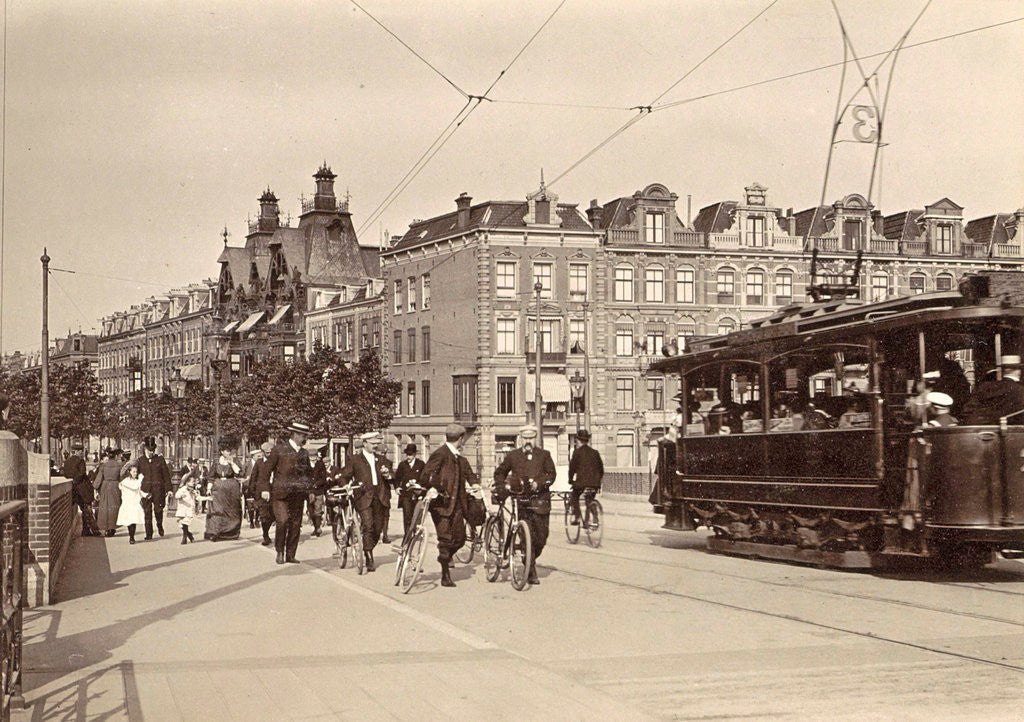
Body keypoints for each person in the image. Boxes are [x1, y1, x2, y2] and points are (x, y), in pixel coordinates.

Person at [494, 426, 555, 586]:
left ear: (535, 438)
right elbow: (500, 472)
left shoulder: (544, 455)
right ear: (520, 438)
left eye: (531, 438)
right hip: (521, 501)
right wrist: (502, 485)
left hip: (540, 501)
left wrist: (539, 483)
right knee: (526, 535)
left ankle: (529, 557)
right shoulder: (513, 456)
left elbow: (551, 475)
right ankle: (531, 570)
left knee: (541, 537)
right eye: (525, 438)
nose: (528, 441)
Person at [421, 424, 478, 588]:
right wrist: (436, 487)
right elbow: (425, 476)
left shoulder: (461, 459)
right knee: (445, 539)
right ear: (460, 439)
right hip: (441, 505)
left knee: (459, 540)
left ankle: (444, 557)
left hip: (458, 505)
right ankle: (445, 574)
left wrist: (475, 485)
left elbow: (470, 475)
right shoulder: (440, 454)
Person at [258, 422, 314, 564]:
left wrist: (311, 491)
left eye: (305, 435)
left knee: (296, 525)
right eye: (302, 435)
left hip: (298, 494)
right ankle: (280, 551)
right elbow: (265, 471)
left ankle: (290, 554)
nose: (304, 438)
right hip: (280, 494)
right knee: (282, 521)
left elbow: (308, 474)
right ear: (295, 435)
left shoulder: (304, 453)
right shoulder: (279, 449)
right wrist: (265, 489)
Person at [336, 431, 393, 572]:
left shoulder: (382, 460)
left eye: (377, 444)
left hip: (380, 497)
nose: (375, 446)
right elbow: (344, 476)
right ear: (365, 443)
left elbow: (393, 476)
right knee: (368, 525)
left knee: (378, 528)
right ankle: (368, 556)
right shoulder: (355, 460)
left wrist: (388, 474)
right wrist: (345, 485)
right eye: (373, 444)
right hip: (363, 497)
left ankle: (367, 546)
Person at [962, 354, 1024, 425]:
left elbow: (967, 412)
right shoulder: (1020, 390)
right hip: (1013, 434)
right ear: (1019, 370)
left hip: (980, 432)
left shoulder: (984, 387)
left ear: (1002, 370)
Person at [135, 437, 171, 539]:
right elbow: (137, 475)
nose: (150, 452)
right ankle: (149, 534)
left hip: (158, 490)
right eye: (149, 450)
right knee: (147, 512)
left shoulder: (160, 460)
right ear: (145, 449)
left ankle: (159, 525)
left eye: (152, 450)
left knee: (158, 510)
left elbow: (166, 475)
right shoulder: (140, 461)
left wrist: (169, 489)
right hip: (145, 490)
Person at [205, 442, 242, 541]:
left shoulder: (234, 461)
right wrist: (209, 488)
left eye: (229, 451)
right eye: (226, 451)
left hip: (231, 489)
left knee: (231, 510)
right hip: (218, 489)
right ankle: (215, 532)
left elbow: (239, 473)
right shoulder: (216, 462)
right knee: (217, 509)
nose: (228, 453)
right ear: (222, 452)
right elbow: (211, 476)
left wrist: (232, 463)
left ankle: (230, 533)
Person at [567, 429, 603, 525]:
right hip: (595, 483)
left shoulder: (577, 452)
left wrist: (570, 480)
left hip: (582, 483)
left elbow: (572, 468)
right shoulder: (595, 452)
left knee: (574, 496)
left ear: (578, 440)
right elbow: (601, 469)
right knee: (589, 499)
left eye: (576, 441)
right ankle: (595, 518)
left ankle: (578, 517)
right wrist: (599, 482)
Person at [63, 444, 100, 536]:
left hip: (74, 490)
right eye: (81, 451)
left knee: (84, 510)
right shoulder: (80, 461)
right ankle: (90, 530)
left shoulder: (67, 462)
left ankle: (87, 530)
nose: (82, 453)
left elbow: (66, 474)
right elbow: (82, 473)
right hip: (83, 489)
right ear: (77, 452)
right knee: (87, 509)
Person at [393, 443, 426, 537]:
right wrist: (397, 487)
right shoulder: (402, 465)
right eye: (407, 454)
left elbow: (425, 478)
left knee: (417, 515)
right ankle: (407, 536)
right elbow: (397, 478)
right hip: (406, 495)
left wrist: (419, 484)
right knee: (407, 516)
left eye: (410, 455)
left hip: (418, 494)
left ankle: (416, 533)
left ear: (415, 454)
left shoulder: (421, 464)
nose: (408, 457)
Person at [92, 447, 124, 537]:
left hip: (105, 486)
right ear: (115, 456)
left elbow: (98, 479)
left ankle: (106, 527)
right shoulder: (119, 465)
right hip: (115, 486)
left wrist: (95, 488)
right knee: (114, 507)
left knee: (105, 507)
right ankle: (112, 528)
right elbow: (121, 478)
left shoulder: (103, 466)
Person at [249, 441, 275, 546]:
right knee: (264, 516)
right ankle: (265, 535)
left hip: (275, 493)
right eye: (267, 453)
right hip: (262, 494)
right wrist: (255, 494)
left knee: (274, 515)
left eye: (271, 452)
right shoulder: (259, 463)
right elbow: (253, 478)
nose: (269, 455)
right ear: (263, 452)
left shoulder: (277, 462)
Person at [116, 464, 147, 544]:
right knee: (130, 521)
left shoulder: (136, 481)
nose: (135, 473)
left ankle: (132, 537)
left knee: (134, 521)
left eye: (136, 472)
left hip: (135, 504)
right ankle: (131, 536)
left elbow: (138, 491)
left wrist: (145, 495)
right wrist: (140, 479)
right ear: (129, 472)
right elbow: (134, 487)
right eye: (133, 472)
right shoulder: (126, 481)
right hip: (128, 504)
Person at [308, 446, 329, 537]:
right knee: (311, 510)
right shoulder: (306, 465)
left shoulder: (320, 465)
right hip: (309, 491)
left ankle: (318, 528)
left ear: (317, 456)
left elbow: (323, 478)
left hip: (318, 490)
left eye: (314, 456)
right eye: (311, 456)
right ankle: (315, 527)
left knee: (318, 509)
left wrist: (317, 484)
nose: (313, 458)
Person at [174, 477, 197, 544]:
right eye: (192, 482)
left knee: (185, 523)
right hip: (182, 509)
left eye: (194, 482)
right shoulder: (182, 489)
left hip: (189, 509)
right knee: (182, 525)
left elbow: (198, 497)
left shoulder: (193, 490)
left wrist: (207, 498)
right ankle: (189, 535)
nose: (193, 483)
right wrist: (181, 495)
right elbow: (176, 496)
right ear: (187, 482)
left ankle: (184, 539)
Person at [243, 448, 262, 528]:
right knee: (250, 505)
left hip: (258, 487)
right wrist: (245, 479)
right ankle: (251, 522)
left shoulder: (262, 464)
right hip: (248, 487)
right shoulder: (247, 464)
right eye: (258, 456)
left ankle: (257, 520)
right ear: (253, 456)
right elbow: (241, 473)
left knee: (258, 505)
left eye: (260, 456)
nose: (259, 457)